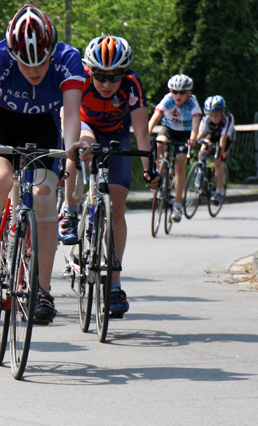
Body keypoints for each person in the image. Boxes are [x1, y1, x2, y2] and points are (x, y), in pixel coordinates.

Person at [0, 4, 86, 325]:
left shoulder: (68, 59)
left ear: (52, 51)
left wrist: (72, 147)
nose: (34, 70)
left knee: (46, 196)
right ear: (13, 54)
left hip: (44, 128)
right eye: (25, 63)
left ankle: (43, 290)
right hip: (4, 125)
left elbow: (72, 115)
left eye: (41, 62)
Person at [58, 35, 155, 317]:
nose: (106, 83)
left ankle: (114, 285)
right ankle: (70, 209)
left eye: (114, 77)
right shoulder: (81, 78)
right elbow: (67, 113)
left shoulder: (131, 85)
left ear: (125, 74)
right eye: (99, 75)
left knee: (116, 208)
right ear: (90, 71)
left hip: (116, 134)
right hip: (84, 125)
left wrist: (149, 167)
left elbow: (142, 130)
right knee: (80, 144)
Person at [147, 74, 202, 222]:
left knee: (179, 165)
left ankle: (177, 205)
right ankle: (160, 170)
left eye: (182, 92)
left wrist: (193, 139)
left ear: (189, 93)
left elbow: (196, 125)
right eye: (174, 91)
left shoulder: (192, 103)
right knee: (159, 142)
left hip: (185, 134)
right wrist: (146, 133)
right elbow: (155, 117)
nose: (178, 95)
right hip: (169, 129)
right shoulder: (168, 99)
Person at [195, 95, 235, 203]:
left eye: (216, 115)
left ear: (222, 112)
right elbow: (201, 133)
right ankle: (200, 171)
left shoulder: (228, 118)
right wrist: (194, 140)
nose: (213, 118)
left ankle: (219, 190)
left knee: (217, 161)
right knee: (203, 148)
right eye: (211, 115)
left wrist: (221, 151)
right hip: (212, 135)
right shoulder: (206, 118)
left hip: (225, 138)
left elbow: (224, 137)